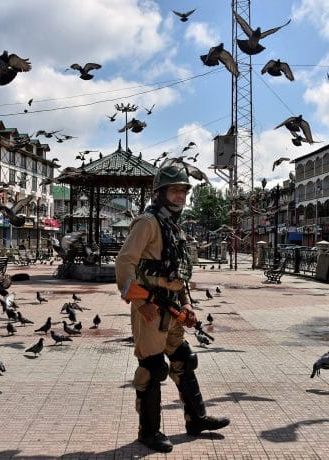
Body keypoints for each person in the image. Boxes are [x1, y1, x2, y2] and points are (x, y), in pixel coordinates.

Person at [115, 161, 230, 453]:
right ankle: (149, 432)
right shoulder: (148, 222)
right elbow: (124, 262)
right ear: (160, 192)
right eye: (174, 190)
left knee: (184, 360)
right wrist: (140, 302)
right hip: (152, 308)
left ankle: (197, 419)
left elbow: (179, 272)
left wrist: (188, 304)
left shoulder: (172, 225)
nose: (180, 196)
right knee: (152, 368)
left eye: (183, 191)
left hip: (174, 308)